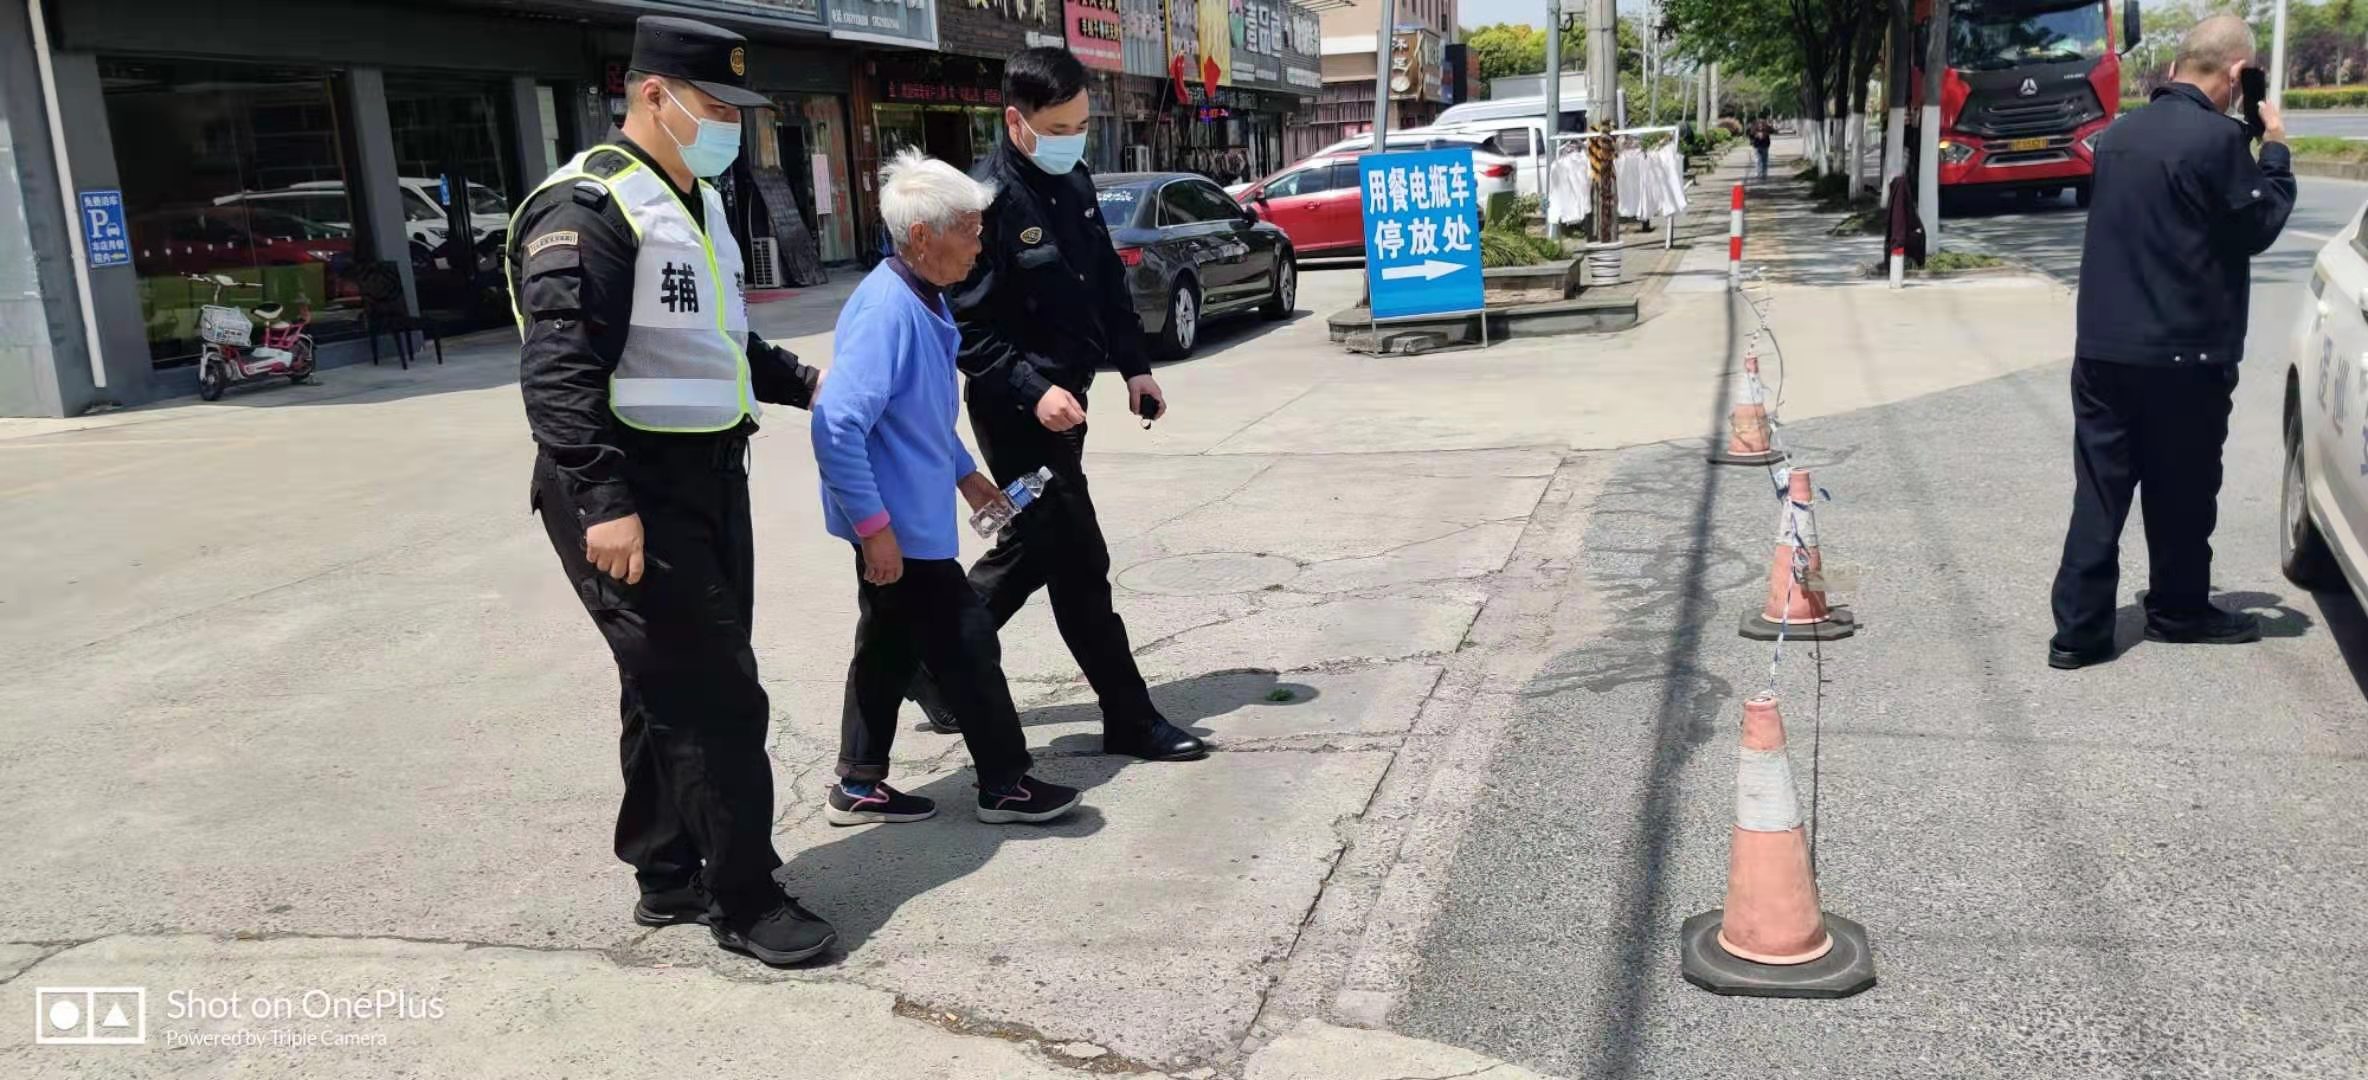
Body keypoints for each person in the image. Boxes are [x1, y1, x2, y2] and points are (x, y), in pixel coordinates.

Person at [509, 15, 837, 967]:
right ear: (652, 94)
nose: (730, 124)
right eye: (714, 106)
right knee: (716, 695)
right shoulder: (588, 208)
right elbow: (559, 374)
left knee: (665, 683)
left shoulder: (693, 202)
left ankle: (665, 870)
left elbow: (717, 343)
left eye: (737, 109)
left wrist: (806, 383)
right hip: (629, 490)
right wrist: (604, 502)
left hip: (707, 478)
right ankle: (746, 898)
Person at [908, 47, 1207, 763]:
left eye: (1082, 124)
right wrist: (1033, 390)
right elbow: (967, 330)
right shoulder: (982, 204)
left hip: (1070, 406)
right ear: (1017, 122)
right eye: (1059, 127)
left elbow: (1103, 280)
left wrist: (1136, 369)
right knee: (1079, 561)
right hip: (1017, 415)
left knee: (1029, 548)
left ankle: (928, 660)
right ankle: (1129, 716)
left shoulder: (1071, 178)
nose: (1074, 139)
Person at [811, 149, 1083, 829]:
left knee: (888, 647)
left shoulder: (921, 298)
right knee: (967, 643)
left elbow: (918, 413)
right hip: (897, 525)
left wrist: (964, 472)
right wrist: (874, 528)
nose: (979, 244)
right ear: (922, 236)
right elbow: (836, 424)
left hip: (905, 517)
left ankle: (859, 781)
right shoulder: (888, 311)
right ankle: (1005, 783)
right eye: (968, 230)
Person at [2046, 14, 2294, 671]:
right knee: (2182, 488)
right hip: (2186, 355)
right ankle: (2179, 610)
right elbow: (2258, 223)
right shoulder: (2219, 142)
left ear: (2178, 64)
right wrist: (2273, 149)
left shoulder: (2117, 136)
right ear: (2239, 74)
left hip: (2103, 348)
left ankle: (2078, 633)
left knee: (2099, 490)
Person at [1748, 116, 1774, 182]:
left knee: (1764, 160)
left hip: (1765, 146)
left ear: (1764, 125)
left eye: (1762, 124)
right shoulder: (1754, 130)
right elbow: (1750, 136)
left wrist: (1770, 125)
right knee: (1758, 160)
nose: (1760, 126)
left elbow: (1772, 131)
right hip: (1757, 146)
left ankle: (1764, 173)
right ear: (1756, 125)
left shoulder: (1767, 129)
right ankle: (1758, 173)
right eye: (1759, 124)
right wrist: (1751, 141)